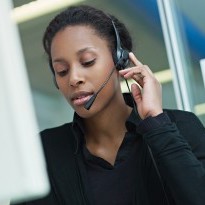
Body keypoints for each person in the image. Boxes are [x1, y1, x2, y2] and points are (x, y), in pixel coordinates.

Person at [12, 4, 205, 205]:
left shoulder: (181, 127)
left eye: (87, 62)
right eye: (61, 71)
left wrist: (157, 125)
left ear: (119, 60)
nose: (73, 78)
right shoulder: (45, 152)